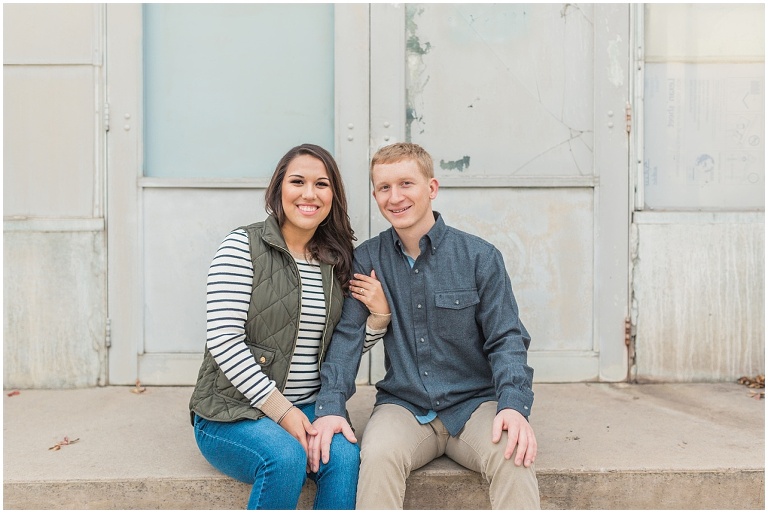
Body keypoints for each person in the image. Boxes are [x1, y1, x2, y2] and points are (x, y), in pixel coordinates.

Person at [309, 142, 540, 509]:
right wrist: (331, 407)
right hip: (404, 405)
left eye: (406, 184)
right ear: (375, 195)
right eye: (384, 188)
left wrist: (513, 404)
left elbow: (506, 338)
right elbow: (348, 337)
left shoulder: (480, 257)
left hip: (475, 403)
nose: (395, 196)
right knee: (378, 455)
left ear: (431, 188)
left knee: (514, 454)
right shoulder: (367, 259)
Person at [188, 143, 391, 510]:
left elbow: (337, 350)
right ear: (279, 188)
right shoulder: (242, 246)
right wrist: (282, 412)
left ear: (334, 196)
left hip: (308, 406)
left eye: (322, 184)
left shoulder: (335, 261)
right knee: (285, 458)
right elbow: (223, 340)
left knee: (344, 458)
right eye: (298, 181)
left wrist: (378, 319)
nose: (309, 194)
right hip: (232, 411)